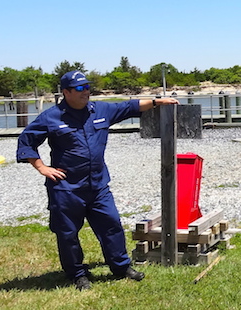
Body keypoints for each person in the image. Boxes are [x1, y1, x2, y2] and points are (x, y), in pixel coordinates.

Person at [16, 70, 179, 290]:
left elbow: (129, 107)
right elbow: (26, 140)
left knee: (112, 225)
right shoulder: (51, 117)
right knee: (68, 234)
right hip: (66, 188)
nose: (86, 92)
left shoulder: (100, 110)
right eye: (80, 89)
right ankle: (77, 274)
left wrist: (157, 102)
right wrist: (42, 167)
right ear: (66, 92)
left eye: (88, 88)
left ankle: (121, 267)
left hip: (98, 185)